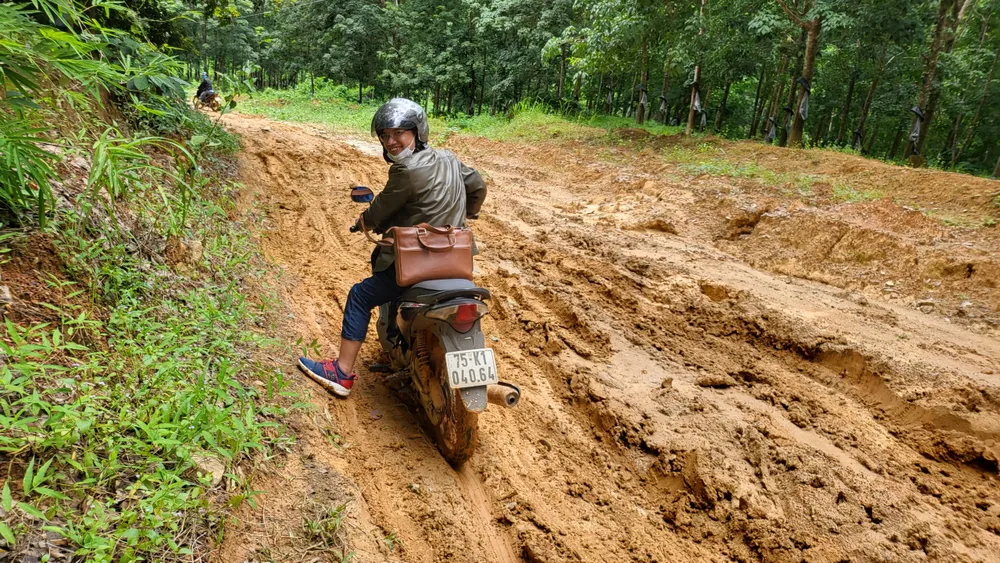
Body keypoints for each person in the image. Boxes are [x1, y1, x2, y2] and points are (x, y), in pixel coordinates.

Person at [298, 98, 487, 398]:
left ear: (417, 131)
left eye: (399, 133)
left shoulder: (406, 172)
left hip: (418, 266)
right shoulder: (450, 160)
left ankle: (342, 373)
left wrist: (364, 220)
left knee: (360, 296)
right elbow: (477, 186)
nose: (391, 141)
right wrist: (467, 213)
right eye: (385, 135)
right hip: (456, 262)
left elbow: (382, 209)